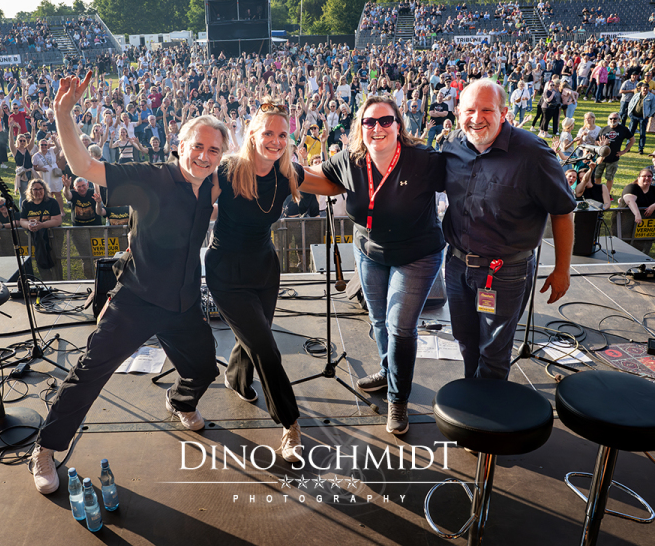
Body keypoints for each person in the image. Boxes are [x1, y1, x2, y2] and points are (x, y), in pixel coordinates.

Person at [30, 72, 228, 496]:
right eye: (198, 146)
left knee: (204, 369)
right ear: (180, 145)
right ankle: (45, 448)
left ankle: (179, 401)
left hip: (184, 301)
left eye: (214, 150)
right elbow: (84, 167)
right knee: (90, 372)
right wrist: (63, 115)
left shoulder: (213, 184)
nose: (204, 155)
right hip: (136, 298)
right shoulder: (151, 177)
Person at [207, 98, 339, 461]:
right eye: (268, 133)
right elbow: (193, 201)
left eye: (282, 135)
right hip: (226, 271)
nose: (276, 141)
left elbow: (331, 187)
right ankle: (290, 423)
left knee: (256, 334)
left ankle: (236, 378)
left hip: (265, 266)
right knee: (266, 348)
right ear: (252, 133)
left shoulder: (288, 173)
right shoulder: (227, 170)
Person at [310, 95, 446, 435]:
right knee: (379, 319)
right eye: (369, 122)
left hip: (417, 254)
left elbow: (465, 181)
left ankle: (398, 398)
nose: (377, 128)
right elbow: (318, 176)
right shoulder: (351, 159)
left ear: (399, 125)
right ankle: (388, 372)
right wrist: (276, 169)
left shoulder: (423, 159)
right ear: (360, 127)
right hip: (370, 252)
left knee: (400, 327)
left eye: (386, 120)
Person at [440, 79, 575, 381]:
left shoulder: (533, 153)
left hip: (505, 272)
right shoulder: (453, 145)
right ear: (458, 112)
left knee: (493, 352)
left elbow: (562, 211)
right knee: (465, 341)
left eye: (487, 110)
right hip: (457, 264)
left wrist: (562, 269)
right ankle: (473, 397)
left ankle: (487, 408)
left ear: (503, 112)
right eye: (469, 110)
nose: (477, 118)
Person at [19, 178, 64, 281]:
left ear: (45, 189)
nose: (38, 191)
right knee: (40, 260)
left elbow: (57, 220)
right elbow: (22, 220)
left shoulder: (52, 202)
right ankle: (46, 283)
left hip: (53, 238)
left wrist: (42, 225)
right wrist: (29, 225)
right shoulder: (26, 203)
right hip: (36, 238)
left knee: (55, 260)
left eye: (40, 189)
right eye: (35, 189)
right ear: (31, 191)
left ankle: (58, 282)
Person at [62, 175, 100, 278]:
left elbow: (99, 193)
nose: (82, 188)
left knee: (98, 256)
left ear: (87, 185)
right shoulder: (74, 194)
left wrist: (96, 180)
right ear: (75, 188)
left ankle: (100, 278)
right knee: (86, 258)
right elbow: (67, 196)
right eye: (79, 187)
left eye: (83, 185)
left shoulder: (92, 193)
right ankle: (90, 279)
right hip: (79, 230)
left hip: (96, 229)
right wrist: (66, 187)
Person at [627, 82, 655, 155]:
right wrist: (630, 113)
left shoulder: (651, 96)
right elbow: (631, 103)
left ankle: (640, 149)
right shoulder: (636, 95)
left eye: (646, 88)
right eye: (644, 88)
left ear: (648, 89)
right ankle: (628, 147)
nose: (645, 90)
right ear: (641, 88)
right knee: (630, 133)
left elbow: (654, 107)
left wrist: (648, 115)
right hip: (634, 116)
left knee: (642, 134)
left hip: (643, 117)